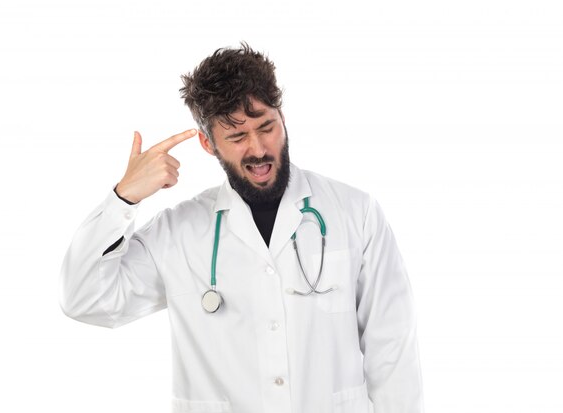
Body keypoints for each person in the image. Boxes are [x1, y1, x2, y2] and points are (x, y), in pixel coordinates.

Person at [59, 42, 424, 413]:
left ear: (283, 119)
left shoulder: (354, 213)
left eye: (267, 127)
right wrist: (124, 199)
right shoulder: (178, 233)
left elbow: (392, 348)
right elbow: (85, 299)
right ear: (208, 143)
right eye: (236, 137)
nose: (258, 148)